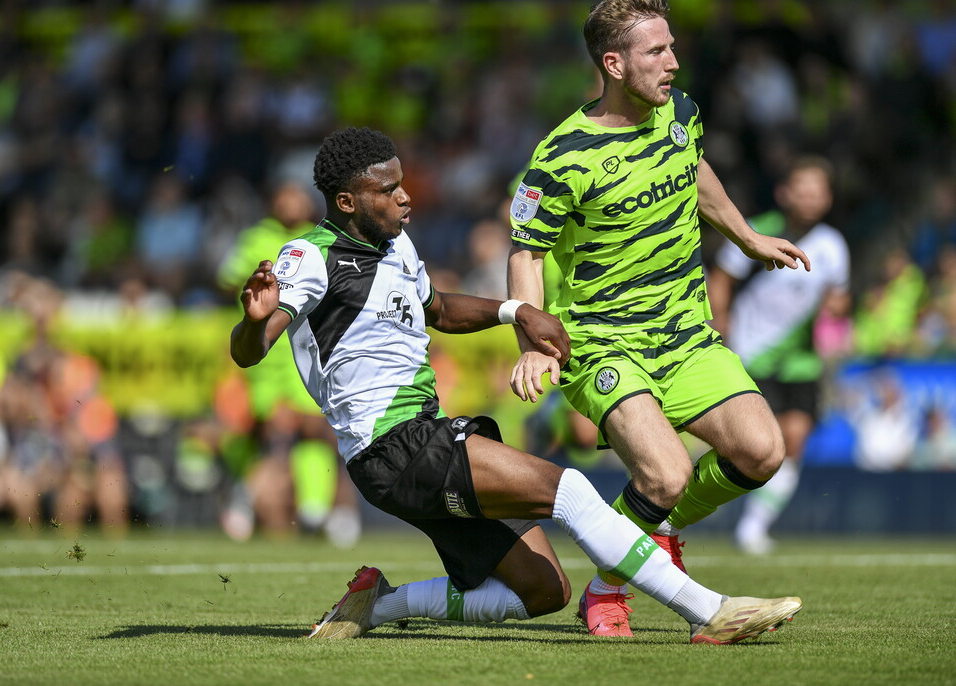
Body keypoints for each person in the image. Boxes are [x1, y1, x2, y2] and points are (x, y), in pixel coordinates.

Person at [230, 126, 801, 643]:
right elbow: (251, 351)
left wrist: (515, 312)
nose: (405, 196)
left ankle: (377, 605)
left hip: (417, 440)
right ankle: (712, 611)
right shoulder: (309, 257)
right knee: (570, 490)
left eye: (403, 183)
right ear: (348, 201)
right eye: (387, 190)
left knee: (544, 593)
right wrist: (254, 325)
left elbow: (441, 310)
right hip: (394, 446)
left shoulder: (396, 245)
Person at [507, 0, 810, 637]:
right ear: (612, 64)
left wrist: (747, 236)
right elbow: (526, 251)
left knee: (762, 451)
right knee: (666, 472)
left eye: (672, 47)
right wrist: (532, 340)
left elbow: (694, 171)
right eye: (656, 52)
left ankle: (644, 541)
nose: (673, 62)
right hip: (602, 341)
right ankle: (611, 584)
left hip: (685, 335)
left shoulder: (681, 114)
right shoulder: (561, 156)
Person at [708, 156, 851, 555]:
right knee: (756, 444)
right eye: (801, 191)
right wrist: (720, 321)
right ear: (784, 193)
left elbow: (836, 298)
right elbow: (722, 277)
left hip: (801, 360)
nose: (809, 199)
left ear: (827, 199)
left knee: (796, 439)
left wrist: (837, 312)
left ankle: (754, 526)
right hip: (752, 355)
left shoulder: (832, 245)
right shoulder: (757, 231)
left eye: (817, 193)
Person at [218, 181, 361, 545]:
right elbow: (228, 281)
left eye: (297, 196)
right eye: (283, 195)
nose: (290, 202)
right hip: (267, 359)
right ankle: (249, 501)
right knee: (273, 434)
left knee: (315, 431)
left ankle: (319, 508)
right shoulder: (255, 238)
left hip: (307, 351)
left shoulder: (319, 238)